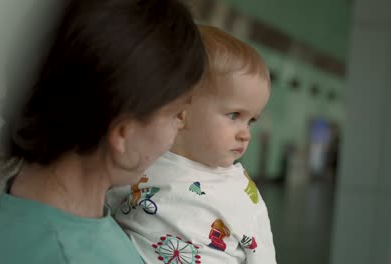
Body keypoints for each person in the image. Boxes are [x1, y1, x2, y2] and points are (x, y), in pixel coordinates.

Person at [0, 0, 206, 263]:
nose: (182, 125)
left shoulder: (27, 200)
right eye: (176, 114)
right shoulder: (70, 253)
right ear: (123, 132)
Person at [107, 25, 276, 263]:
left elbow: (262, 254)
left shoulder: (241, 191)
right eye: (234, 115)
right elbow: (105, 210)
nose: (245, 134)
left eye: (251, 121)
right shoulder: (142, 161)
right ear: (181, 108)